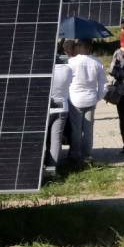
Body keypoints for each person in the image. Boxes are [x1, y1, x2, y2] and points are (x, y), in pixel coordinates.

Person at [67, 39, 107, 163]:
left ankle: (75, 154)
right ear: (89, 48)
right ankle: (87, 155)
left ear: (80, 47)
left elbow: (66, 81)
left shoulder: (71, 62)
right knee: (89, 130)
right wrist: (98, 97)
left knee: (76, 130)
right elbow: (103, 85)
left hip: (75, 100)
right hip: (90, 99)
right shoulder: (97, 62)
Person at [47, 40, 75, 168]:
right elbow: (69, 84)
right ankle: (53, 167)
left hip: (46, 107)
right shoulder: (67, 70)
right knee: (56, 139)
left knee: (43, 137)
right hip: (62, 108)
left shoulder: (45, 71)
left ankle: (43, 164)